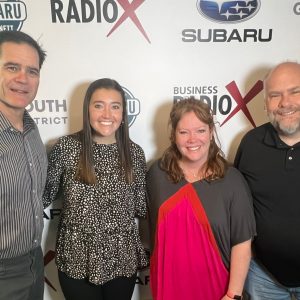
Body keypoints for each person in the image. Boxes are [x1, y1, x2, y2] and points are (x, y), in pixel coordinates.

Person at [43, 78, 148, 300]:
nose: (107, 114)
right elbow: (43, 196)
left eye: (115, 106)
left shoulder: (135, 153)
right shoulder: (66, 148)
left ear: (123, 113)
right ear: (87, 109)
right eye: (99, 105)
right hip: (76, 260)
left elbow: (140, 206)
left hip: (122, 260)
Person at [147, 97, 256, 300]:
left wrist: (233, 295)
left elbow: (242, 243)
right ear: (173, 135)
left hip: (218, 290)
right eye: (184, 132)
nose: (192, 139)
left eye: (200, 130)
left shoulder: (232, 180)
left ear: (211, 132)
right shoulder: (156, 174)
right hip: (168, 287)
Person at [234, 61, 300, 299]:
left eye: (295, 91)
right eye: (275, 95)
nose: (285, 103)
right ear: (265, 104)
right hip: (264, 278)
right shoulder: (251, 143)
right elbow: (238, 207)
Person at [0, 31, 47, 300]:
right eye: (12, 67)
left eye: (32, 70)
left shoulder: (30, 128)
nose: (23, 78)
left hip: (34, 263)